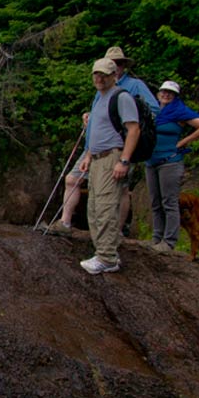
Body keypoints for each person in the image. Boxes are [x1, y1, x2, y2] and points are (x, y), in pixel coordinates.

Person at [78, 58, 140, 274]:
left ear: (115, 75)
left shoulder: (121, 97)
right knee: (93, 207)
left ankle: (107, 258)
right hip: (96, 158)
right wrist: (87, 155)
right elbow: (97, 130)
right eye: (96, 74)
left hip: (112, 158)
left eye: (104, 74)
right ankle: (102, 252)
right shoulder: (99, 97)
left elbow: (133, 129)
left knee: (105, 207)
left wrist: (124, 160)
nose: (99, 78)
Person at [95, 46, 159, 234]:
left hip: (123, 146)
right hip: (101, 147)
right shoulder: (102, 87)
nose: (115, 66)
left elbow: (153, 111)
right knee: (99, 191)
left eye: (118, 63)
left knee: (120, 189)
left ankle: (117, 231)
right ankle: (104, 232)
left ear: (122, 66)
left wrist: (129, 114)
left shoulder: (133, 86)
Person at [145, 80, 199, 252]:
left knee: (169, 202)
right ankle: (156, 238)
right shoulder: (152, 110)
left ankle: (169, 242)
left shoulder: (179, 111)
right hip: (151, 160)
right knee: (155, 202)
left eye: (170, 93)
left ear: (175, 96)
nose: (166, 95)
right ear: (158, 93)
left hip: (170, 161)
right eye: (163, 92)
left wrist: (183, 142)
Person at [46, 112, 90, 236]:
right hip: (91, 146)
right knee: (71, 179)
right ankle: (65, 223)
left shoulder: (127, 94)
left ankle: (114, 231)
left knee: (113, 188)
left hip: (109, 146)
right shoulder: (100, 96)